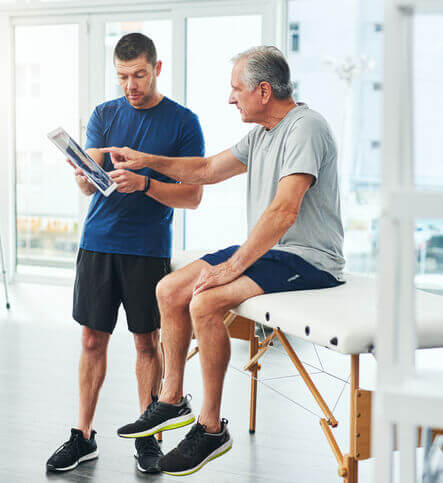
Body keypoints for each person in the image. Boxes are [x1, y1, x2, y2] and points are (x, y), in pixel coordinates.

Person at [104, 45, 345, 476]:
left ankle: (211, 428)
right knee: (170, 288)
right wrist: (147, 163)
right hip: (272, 249)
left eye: (236, 89)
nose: (231, 98)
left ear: (264, 91)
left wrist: (233, 266)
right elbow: (207, 169)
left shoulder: (306, 129)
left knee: (205, 301)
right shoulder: (262, 132)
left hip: (308, 257)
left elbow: (285, 211)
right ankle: (172, 399)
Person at [45, 32, 204, 474]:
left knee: (145, 343)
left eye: (138, 75)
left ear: (157, 68)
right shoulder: (104, 114)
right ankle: (83, 435)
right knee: (92, 339)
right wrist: (82, 172)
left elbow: (192, 197)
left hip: (146, 249)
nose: (130, 85)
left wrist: (147, 183)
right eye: (122, 77)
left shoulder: (183, 122)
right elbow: (86, 184)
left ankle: (147, 438)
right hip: (97, 242)